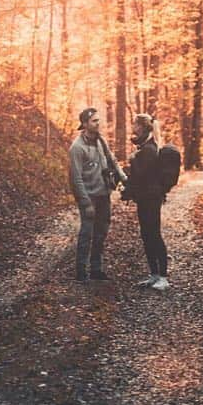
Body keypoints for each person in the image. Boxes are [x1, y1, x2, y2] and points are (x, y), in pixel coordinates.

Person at [68, 107, 126, 282]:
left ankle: (96, 269)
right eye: (94, 121)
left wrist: (124, 177)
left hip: (104, 195)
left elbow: (112, 160)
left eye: (98, 120)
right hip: (89, 197)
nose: (98, 123)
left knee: (101, 233)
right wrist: (85, 203)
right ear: (85, 124)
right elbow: (76, 178)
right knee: (86, 233)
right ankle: (81, 273)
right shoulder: (77, 148)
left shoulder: (101, 140)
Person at [122, 113, 170, 291]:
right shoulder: (143, 147)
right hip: (144, 198)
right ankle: (154, 274)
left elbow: (141, 175)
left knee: (154, 234)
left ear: (142, 127)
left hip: (151, 198)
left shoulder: (149, 149)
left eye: (134, 124)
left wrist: (131, 162)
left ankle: (163, 276)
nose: (132, 128)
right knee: (146, 234)